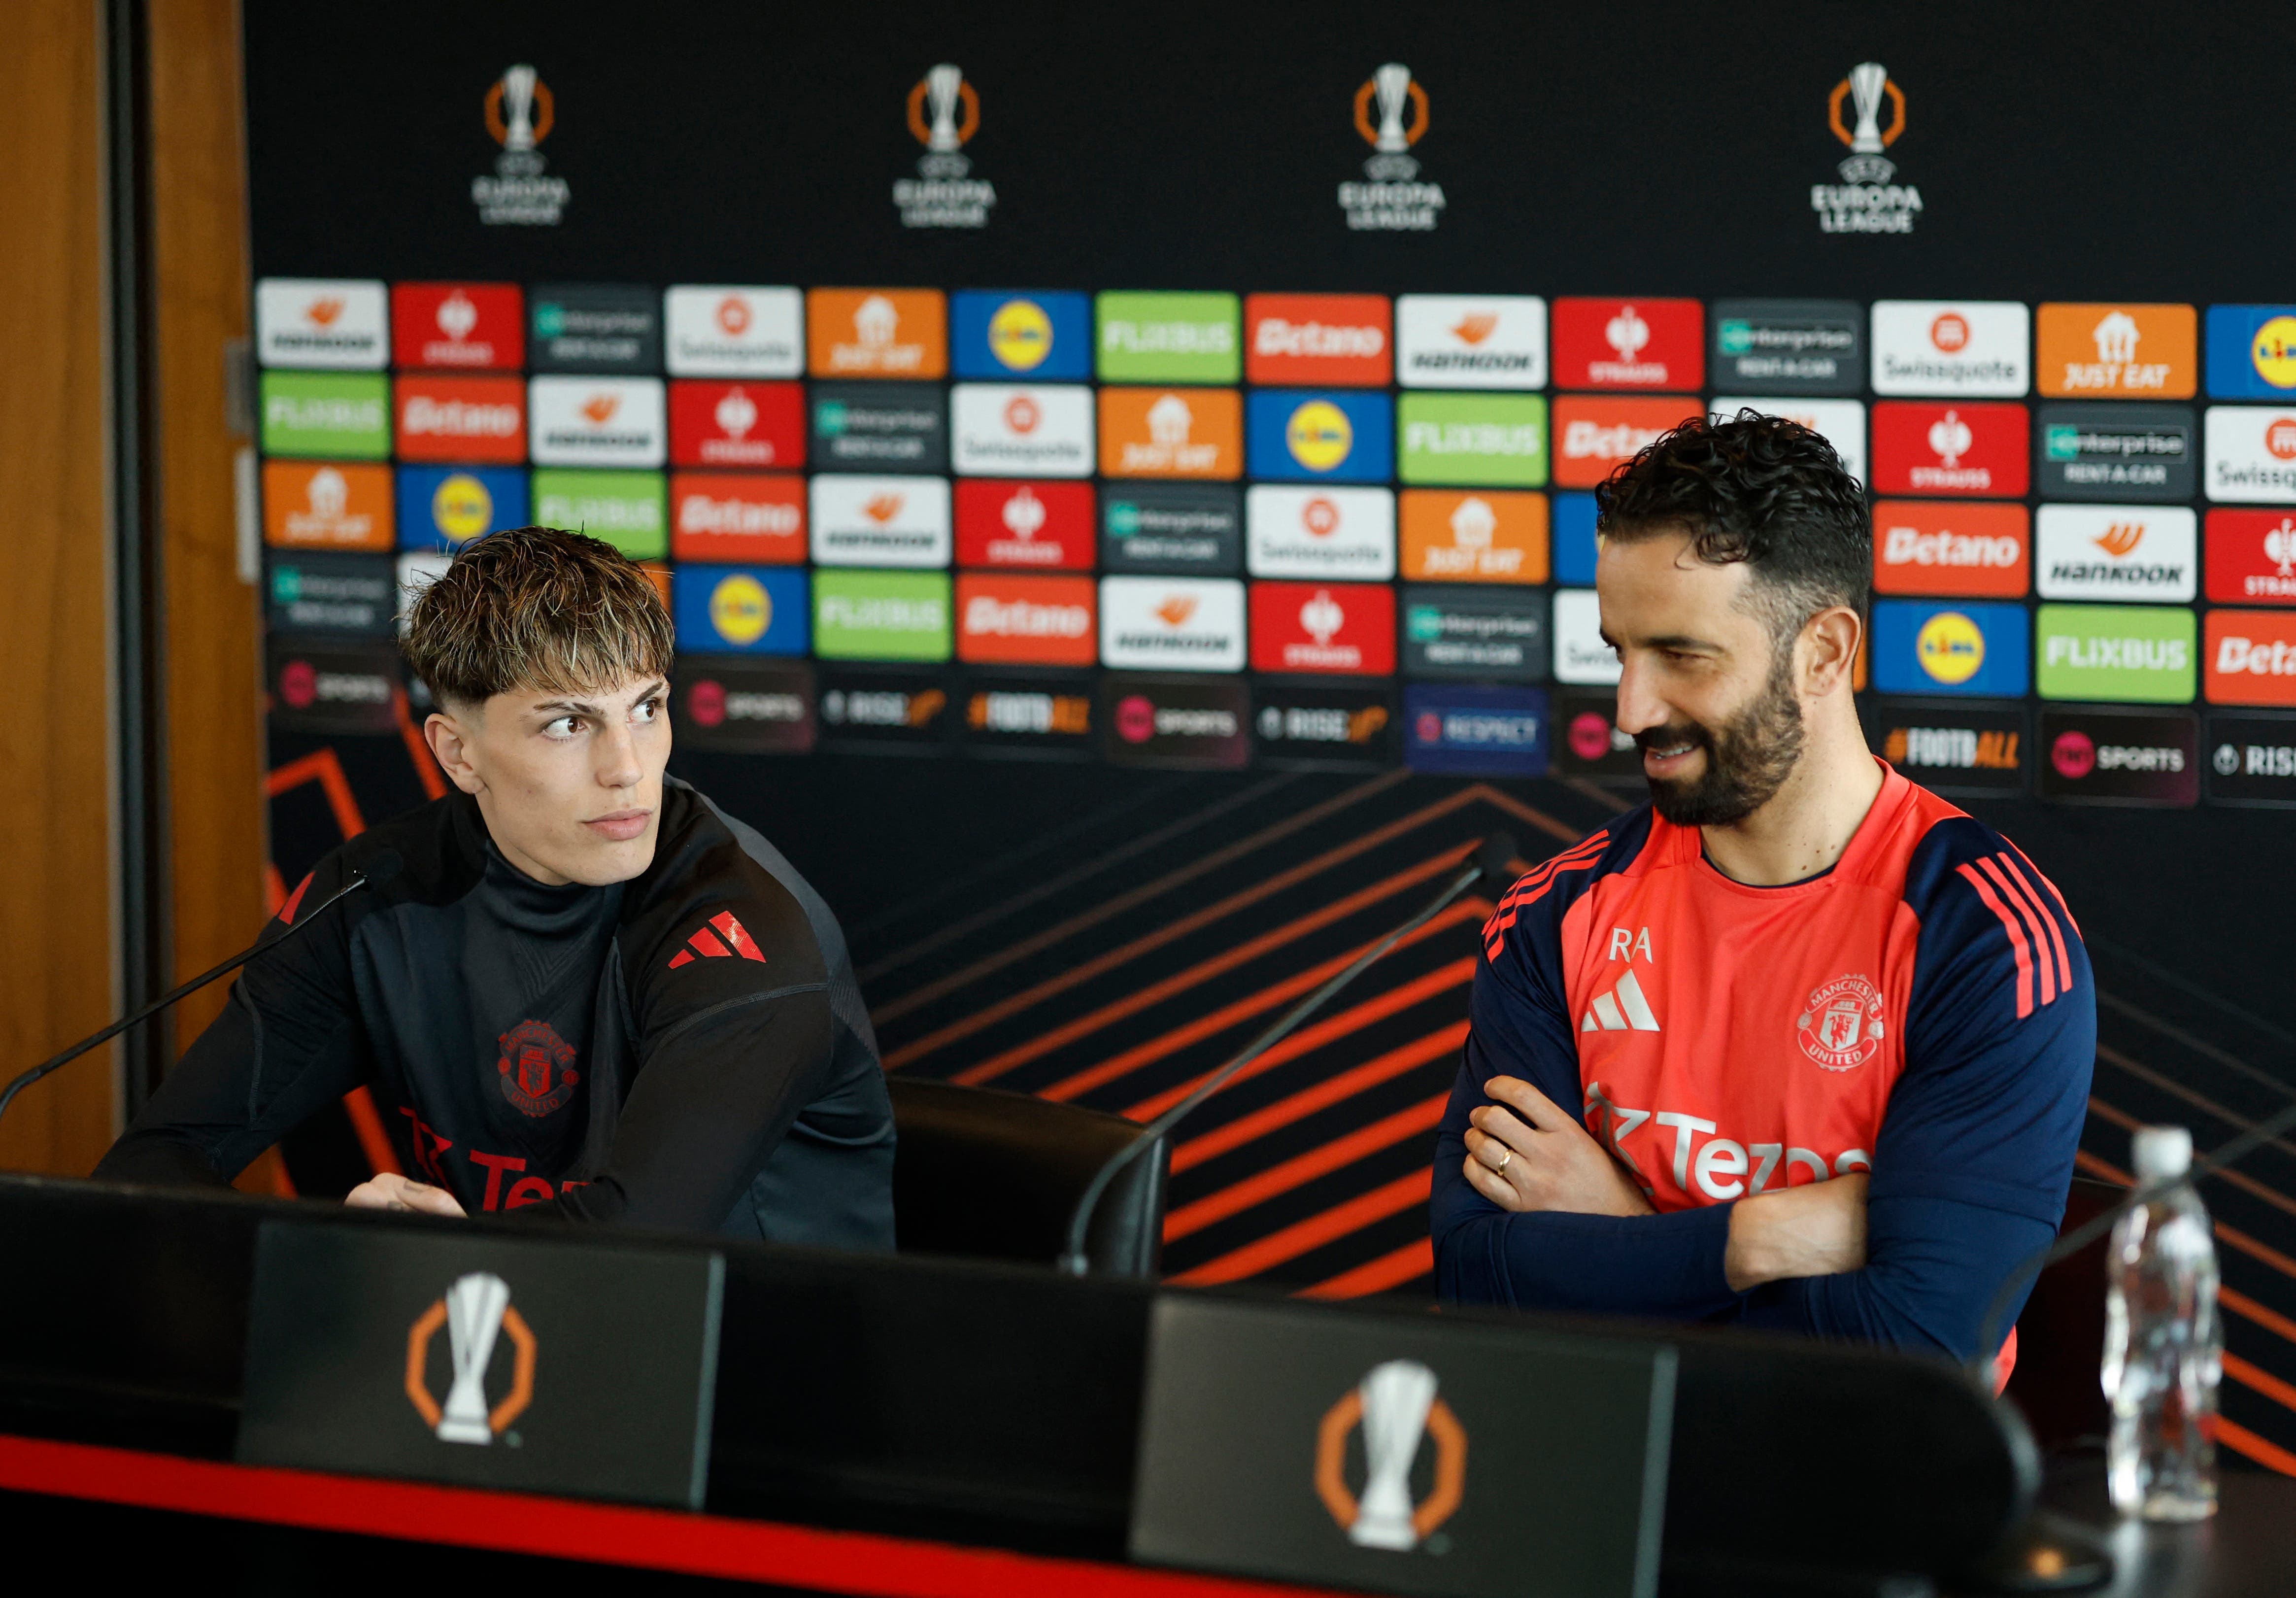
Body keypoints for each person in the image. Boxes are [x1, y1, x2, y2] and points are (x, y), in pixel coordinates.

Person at [1431, 412, 2092, 1373]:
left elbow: (1923, 1339)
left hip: (1864, 1495)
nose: (1630, 708)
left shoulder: (1985, 935)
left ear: (1823, 653)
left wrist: (1619, 1230)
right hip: (1599, 1485)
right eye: (1619, 651)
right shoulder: (1550, 915)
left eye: (1680, 656)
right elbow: (1478, 1277)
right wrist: (1760, 1238)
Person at [96, 527, 894, 1246]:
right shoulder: (372, 899)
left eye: (646, 710)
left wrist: (442, 1262)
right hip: (490, 1361)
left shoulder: (743, 931)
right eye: (568, 724)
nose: (627, 769)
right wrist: (331, 1261)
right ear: (458, 755)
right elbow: (158, 1163)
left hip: (760, 1379)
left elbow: (642, 1244)